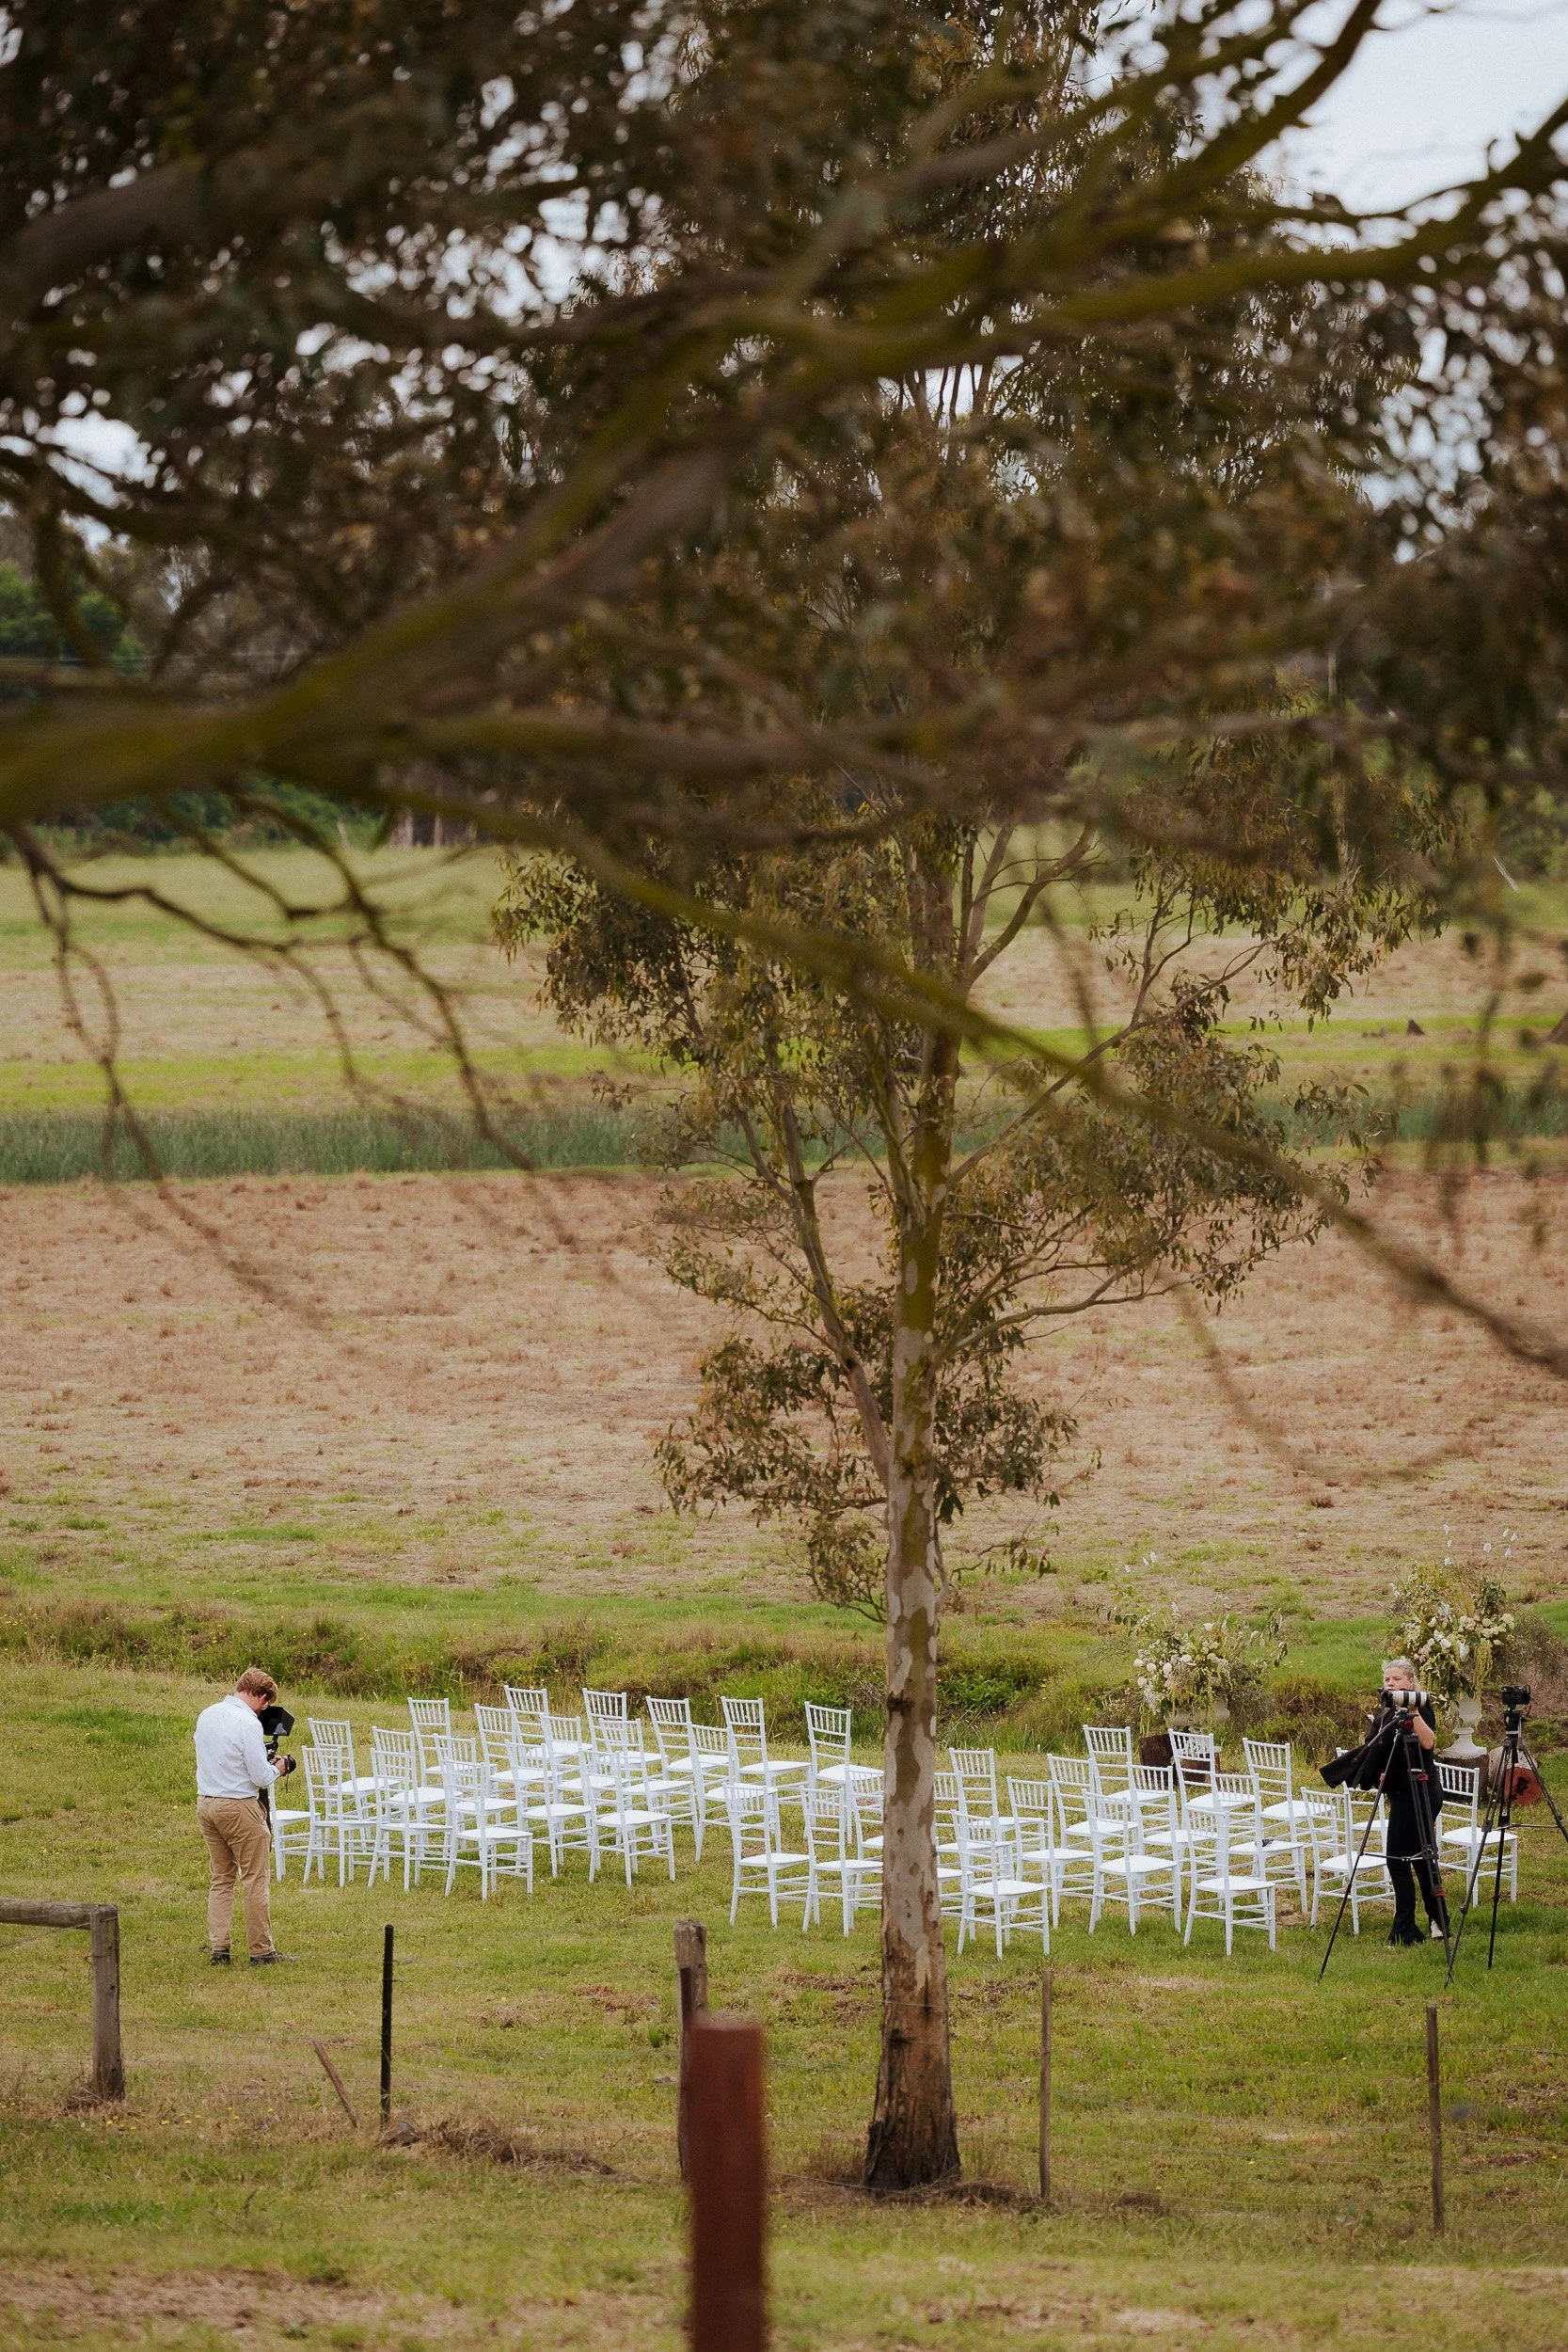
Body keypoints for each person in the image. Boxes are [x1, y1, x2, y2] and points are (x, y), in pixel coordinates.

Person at [194, 1667, 296, 1966]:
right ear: (263, 1698)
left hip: (207, 1803)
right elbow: (261, 1777)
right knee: (254, 1878)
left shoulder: (208, 1714)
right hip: (238, 1806)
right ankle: (261, 1951)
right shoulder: (248, 1723)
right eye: (266, 1704)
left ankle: (219, 1948)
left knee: (221, 1878)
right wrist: (281, 1766)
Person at [1377, 1657, 1447, 1948]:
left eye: (1396, 1679)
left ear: (1410, 1682)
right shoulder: (1390, 1710)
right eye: (1387, 1680)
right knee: (1420, 1858)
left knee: (1398, 1859)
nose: (1390, 1684)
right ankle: (1438, 1920)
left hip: (1421, 1792)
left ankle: (1404, 1926)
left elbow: (1429, 1742)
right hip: (1403, 1792)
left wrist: (1413, 1711)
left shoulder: (1422, 1709)